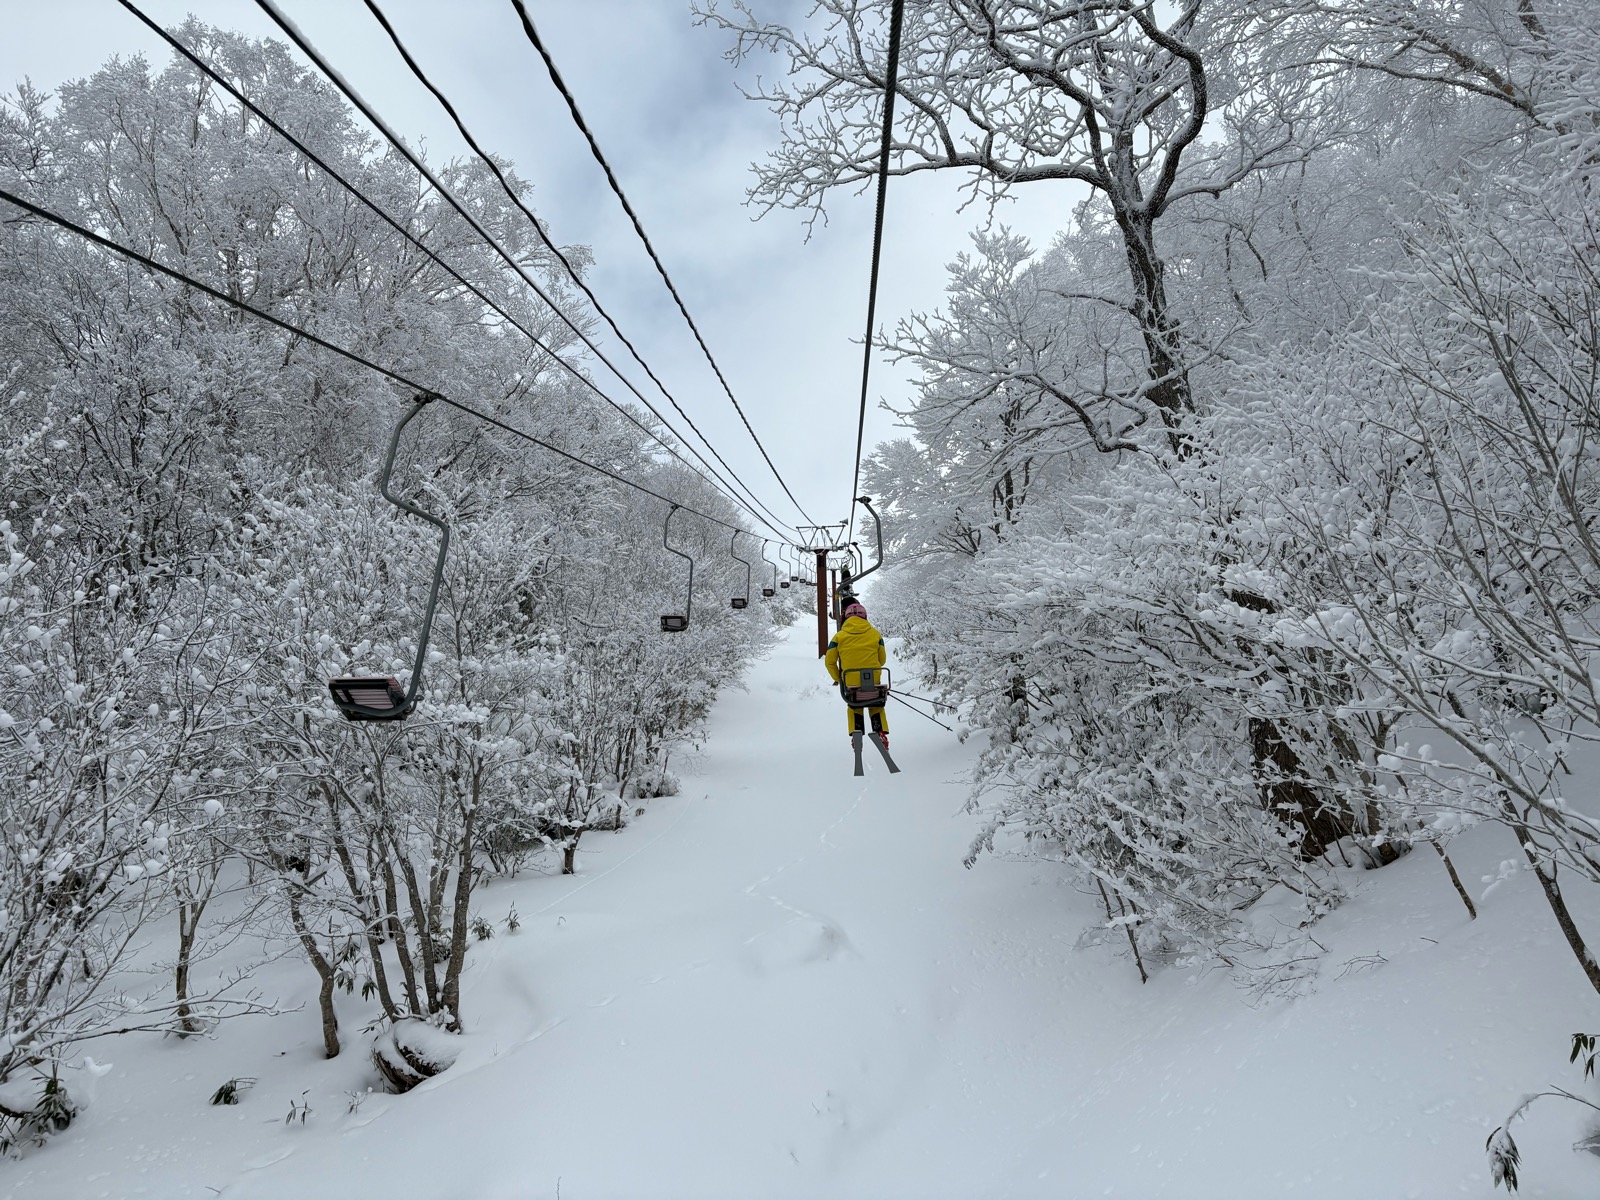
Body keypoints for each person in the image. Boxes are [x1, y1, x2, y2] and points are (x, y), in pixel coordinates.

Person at [825, 600, 889, 748]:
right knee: (876, 704)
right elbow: (882, 660)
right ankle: (880, 731)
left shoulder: (839, 637)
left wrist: (839, 678)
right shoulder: (875, 634)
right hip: (873, 683)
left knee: (854, 705)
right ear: (864, 617)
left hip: (851, 685)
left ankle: (856, 732)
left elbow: (829, 662)